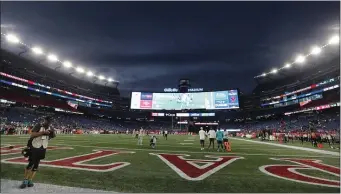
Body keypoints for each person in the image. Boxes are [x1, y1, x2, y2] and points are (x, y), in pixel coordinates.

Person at [20, 116, 55, 189]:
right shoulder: (38, 125)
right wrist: (43, 132)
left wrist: (51, 133)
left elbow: (53, 136)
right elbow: (32, 134)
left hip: (43, 147)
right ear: (45, 120)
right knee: (31, 164)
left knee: (36, 165)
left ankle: (30, 180)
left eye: (50, 122)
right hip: (35, 146)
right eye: (48, 121)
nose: (49, 123)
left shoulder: (50, 127)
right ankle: (25, 180)